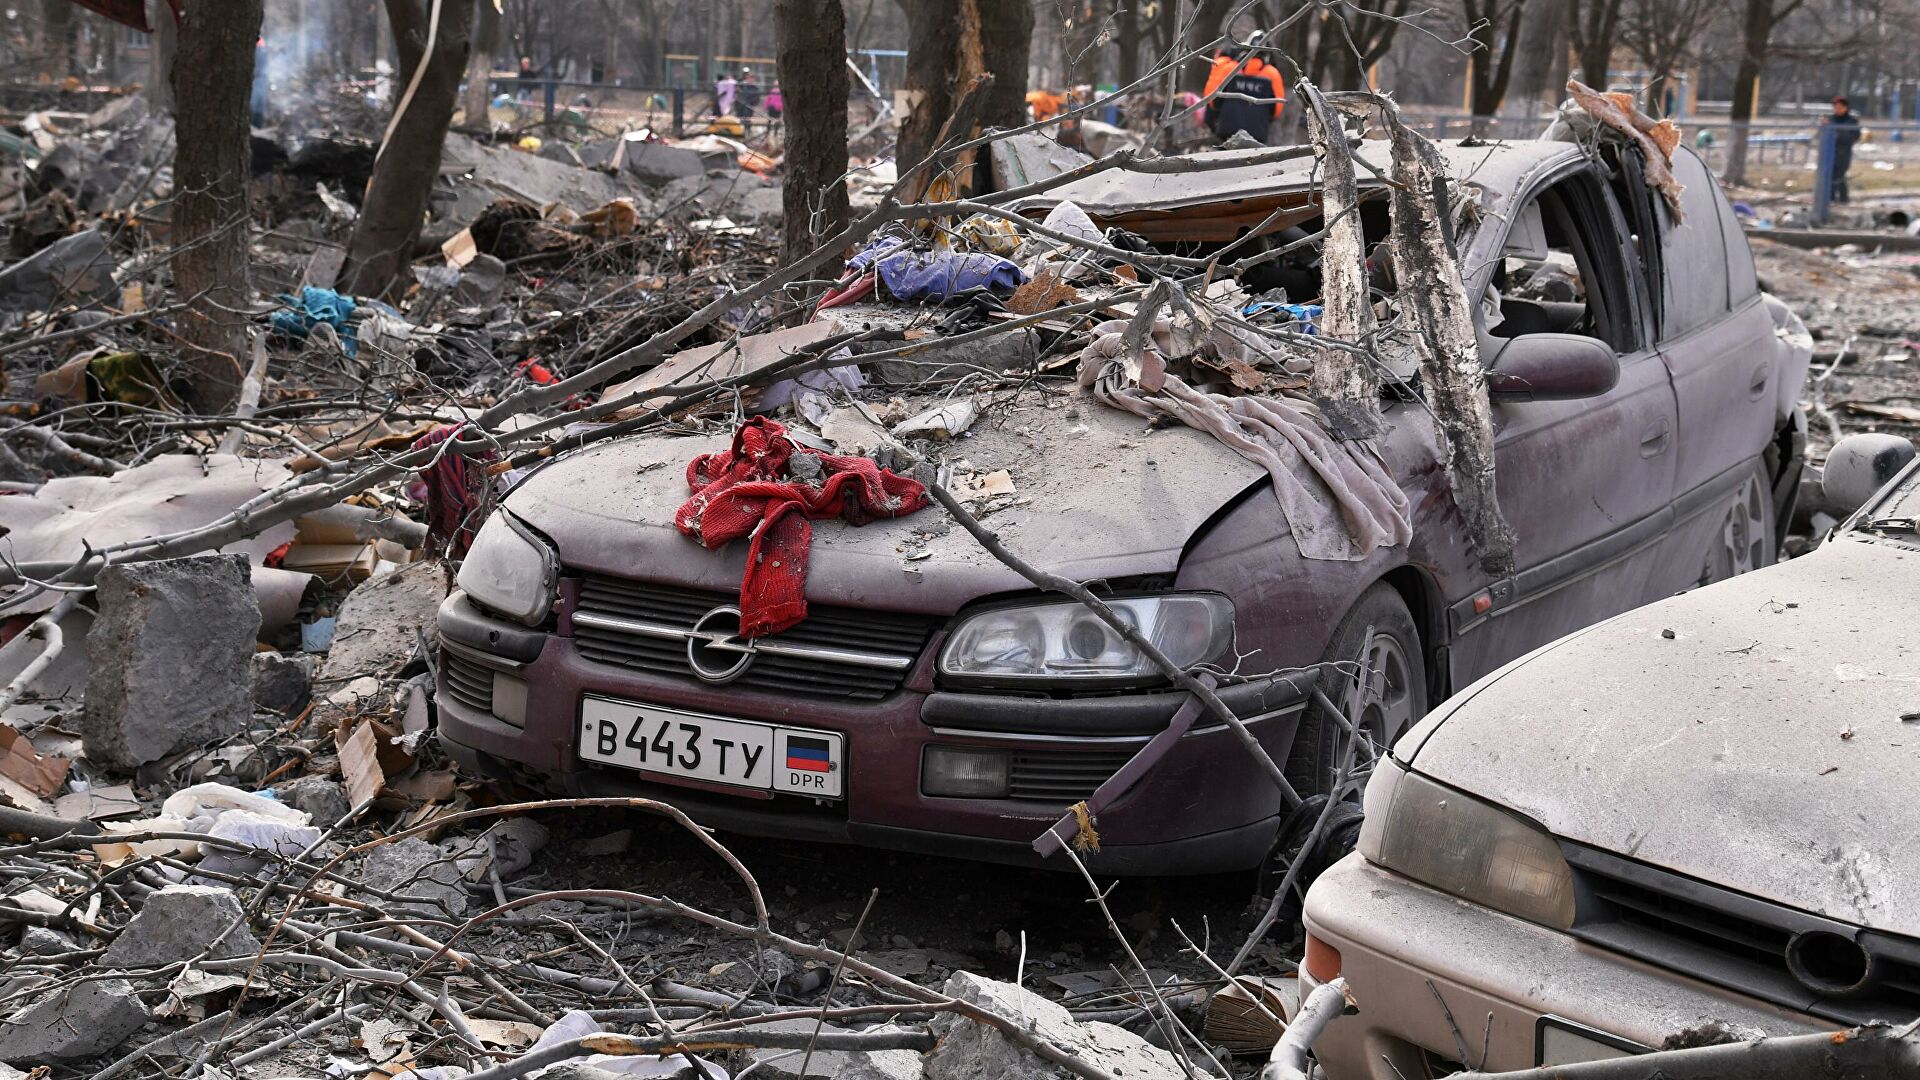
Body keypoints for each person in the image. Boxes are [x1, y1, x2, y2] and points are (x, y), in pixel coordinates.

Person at [1201, 46, 1286, 144]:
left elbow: (1214, 101)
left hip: (1227, 131)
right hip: (1258, 134)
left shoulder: (1230, 69)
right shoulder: (1273, 74)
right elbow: (1277, 109)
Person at [1826, 95, 1862, 204]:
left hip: (1843, 153)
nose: (1837, 109)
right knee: (1830, 175)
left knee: (1839, 176)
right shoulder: (1831, 120)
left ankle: (1842, 199)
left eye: (1840, 107)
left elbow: (1855, 136)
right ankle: (1831, 199)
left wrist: (1839, 135)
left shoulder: (1851, 121)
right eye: (1835, 107)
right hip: (1830, 152)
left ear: (1845, 107)